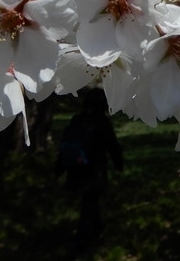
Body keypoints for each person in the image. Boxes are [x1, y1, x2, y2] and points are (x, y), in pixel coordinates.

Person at [56, 87, 123, 248]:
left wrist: (59, 167)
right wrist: (118, 163)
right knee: (90, 202)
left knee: (89, 201)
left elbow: (65, 143)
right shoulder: (102, 121)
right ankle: (84, 236)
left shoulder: (77, 119)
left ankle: (95, 227)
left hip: (77, 168)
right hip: (94, 169)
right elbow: (112, 145)